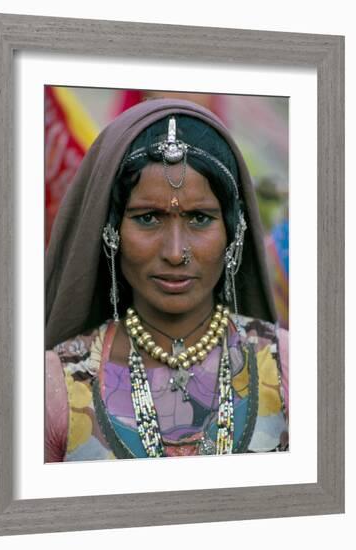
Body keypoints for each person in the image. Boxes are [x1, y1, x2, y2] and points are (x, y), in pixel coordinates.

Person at [45, 98, 289, 462]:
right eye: (148, 218)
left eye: (200, 219)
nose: (176, 252)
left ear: (234, 233)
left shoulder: (290, 367)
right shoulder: (54, 388)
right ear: (110, 231)